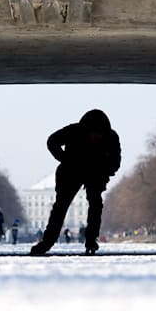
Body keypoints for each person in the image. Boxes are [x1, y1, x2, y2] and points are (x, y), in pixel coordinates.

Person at [30, 109, 121, 256]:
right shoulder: (75, 131)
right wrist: (66, 160)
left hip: (95, 172)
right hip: (71, 171)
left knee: (95, 205)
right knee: (61, 206)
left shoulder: (111, 137)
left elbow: (115, 162)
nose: (96, 138)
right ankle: (47, 242)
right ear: (87, 132)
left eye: (99, 135)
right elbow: (51, 141)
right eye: (93, 135)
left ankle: (91, 240)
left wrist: (103, 172)